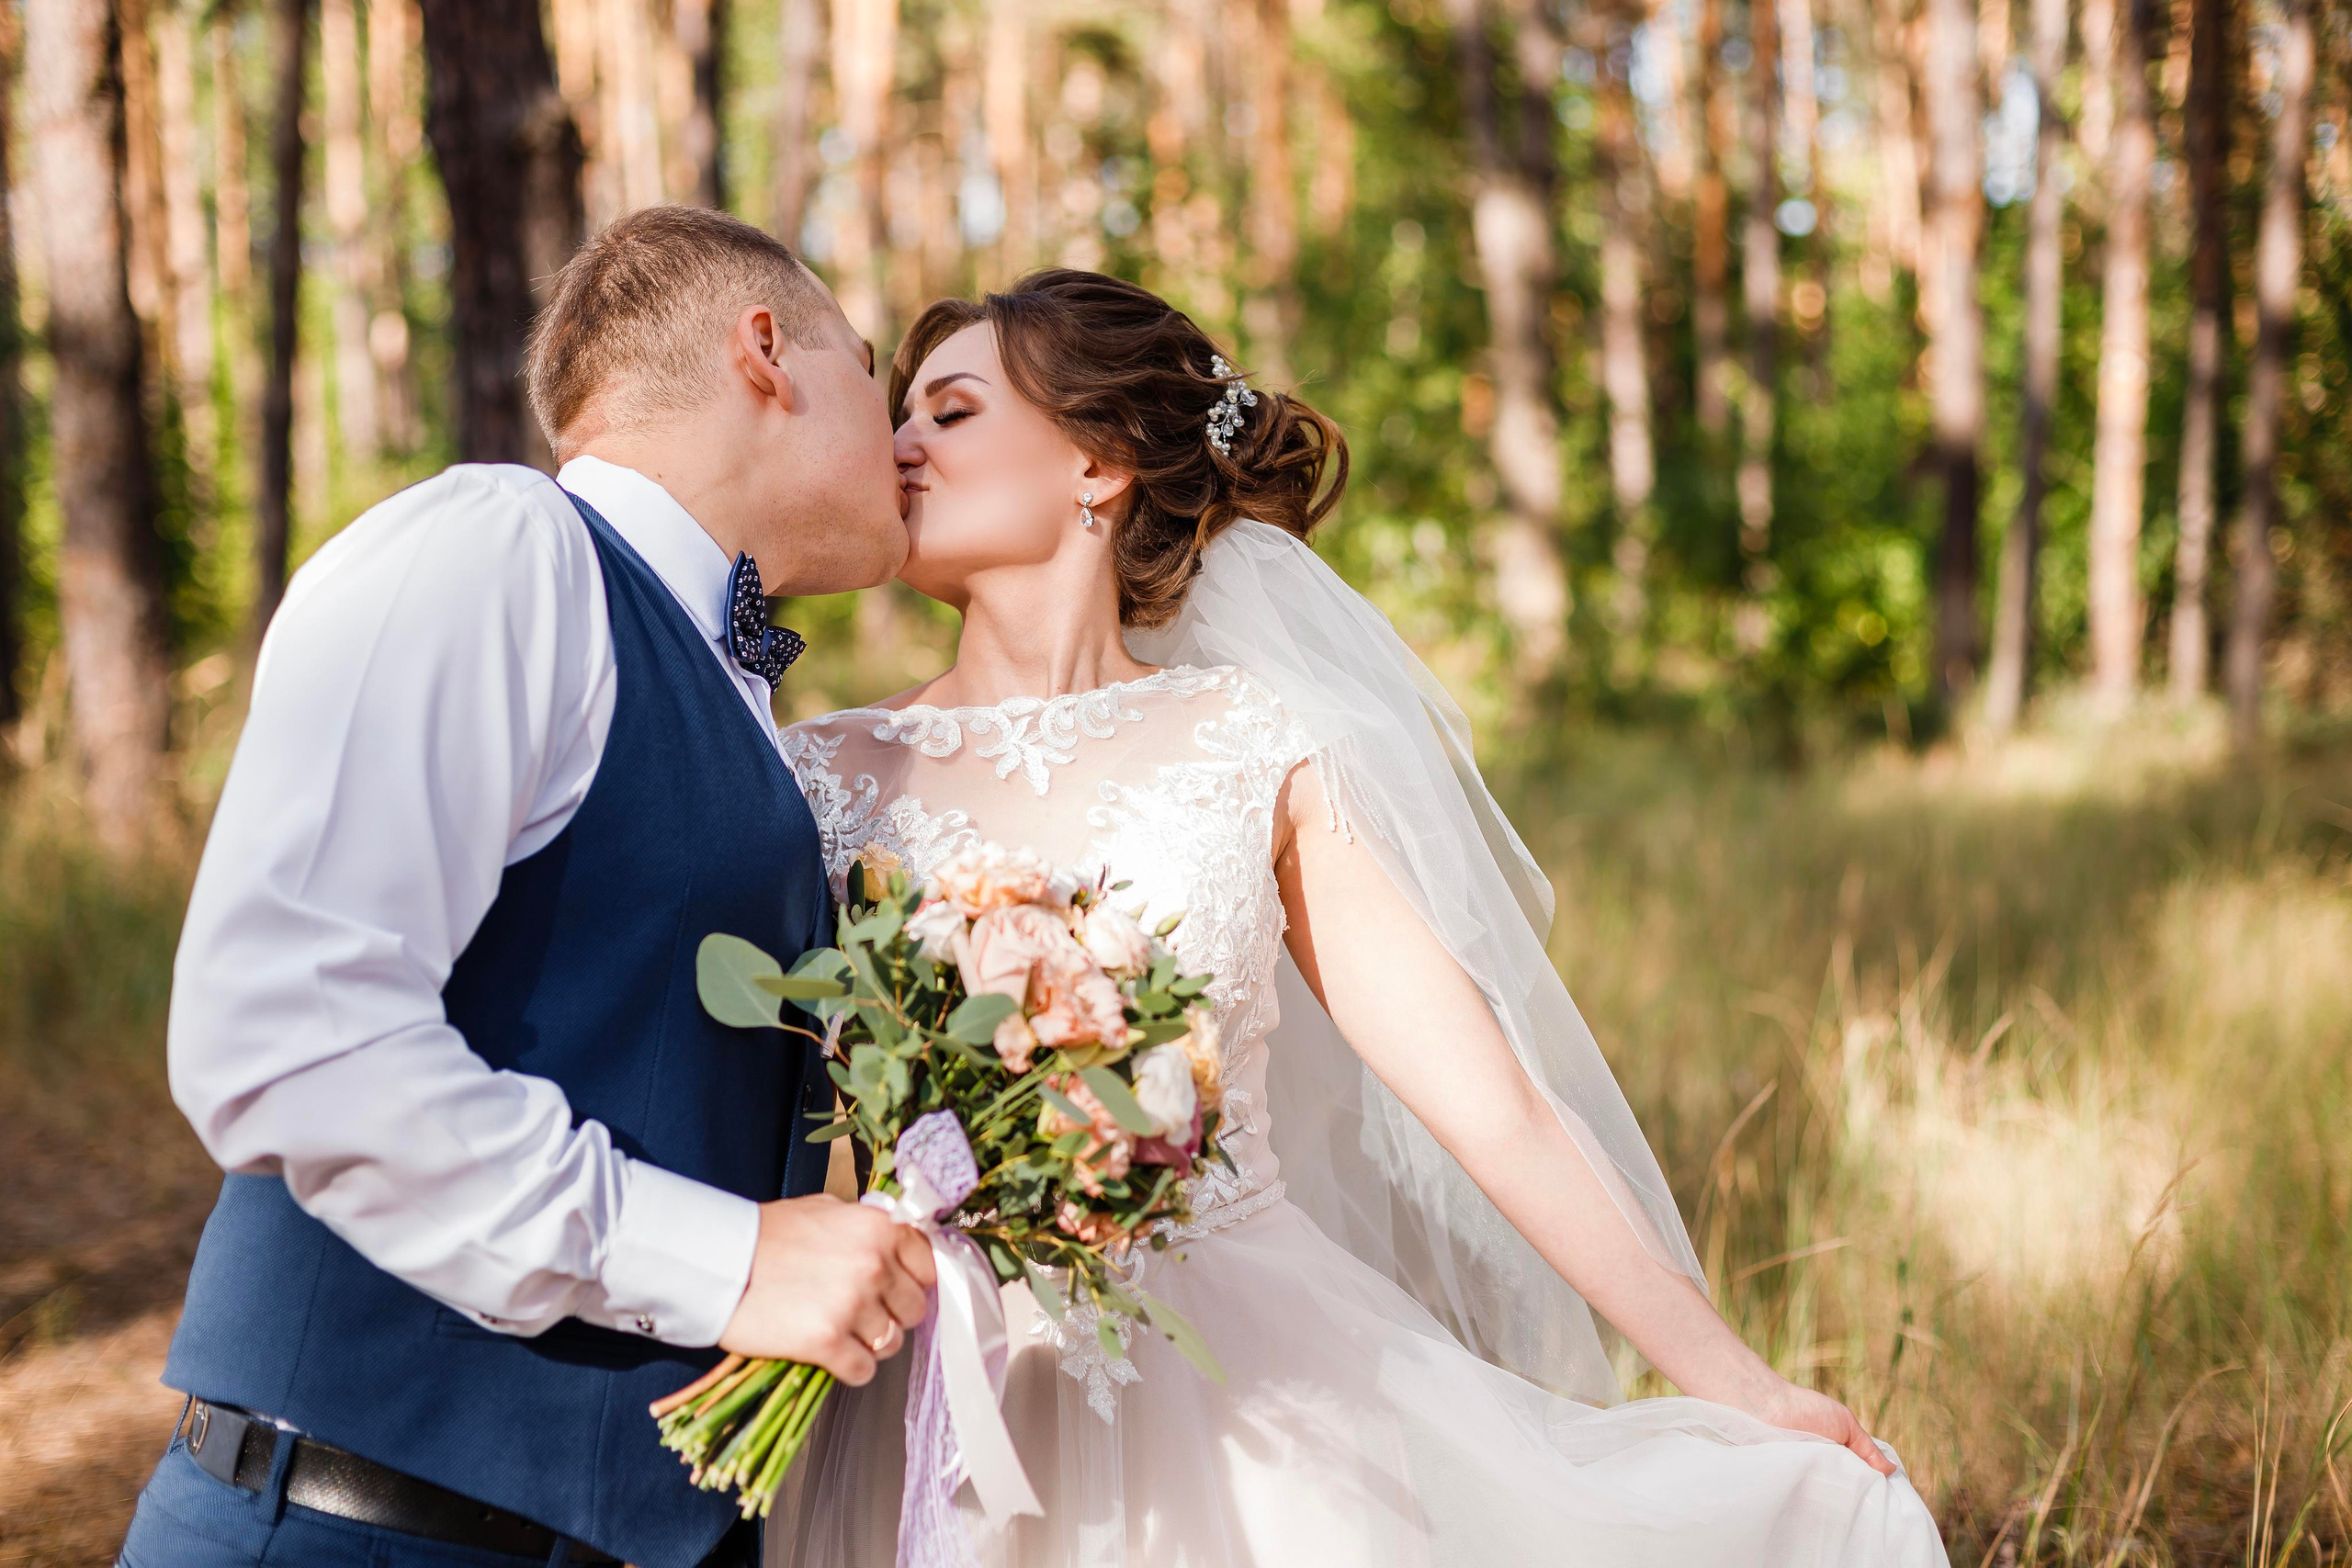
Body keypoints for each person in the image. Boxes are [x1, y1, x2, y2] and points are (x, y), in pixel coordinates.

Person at [764, 270, 1952, 1566]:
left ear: (1096, 466)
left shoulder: (1246, 745)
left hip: (1246, 1393)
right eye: (904, 415)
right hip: (918, 1374)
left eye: (951, 410)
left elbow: (1489, 1099)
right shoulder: (822, 772)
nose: (898, 445)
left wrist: (1736, 1379)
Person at [118, 207, 937, 1568]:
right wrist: (728, 1264)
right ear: (767, 354)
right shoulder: (499, 550)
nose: (902, 436)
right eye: (870, 370)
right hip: (356, 1527)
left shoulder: (743, 701)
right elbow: (288, 1039)